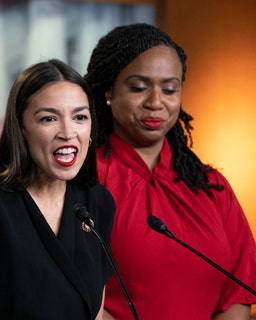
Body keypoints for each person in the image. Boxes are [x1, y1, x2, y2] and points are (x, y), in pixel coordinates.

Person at [84, 23, 256, 319]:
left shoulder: (211, 185)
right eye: (138, 87)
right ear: (109, 91)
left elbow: (237, 294)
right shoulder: (83, 180)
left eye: (169, 89)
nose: (155, 102)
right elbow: (70, 293)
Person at [0, 59, 116, 319]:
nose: (68, 132)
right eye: (49, 118)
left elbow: (94, 313)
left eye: (80, 117)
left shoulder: (98, 202)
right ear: (21, 128)